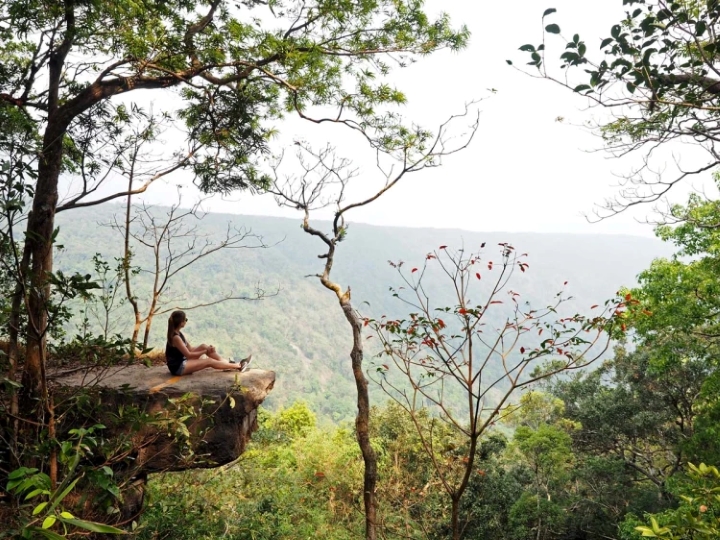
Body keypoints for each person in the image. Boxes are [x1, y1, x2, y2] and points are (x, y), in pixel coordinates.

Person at [165, 310, 252, 376]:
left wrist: (206, 349)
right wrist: (205, 352)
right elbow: (189, 355)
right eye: (185, 320)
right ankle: (239, 366)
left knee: (203, 346)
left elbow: (190, 349)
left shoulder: (179, 333)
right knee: (209, 361)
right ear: (181, 323)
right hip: (178, 367)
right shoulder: (176, 337)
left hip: (183, 361)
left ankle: (227, 363)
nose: (186, 321)